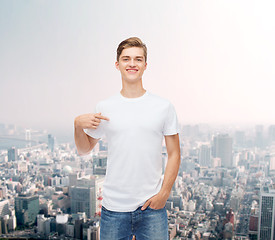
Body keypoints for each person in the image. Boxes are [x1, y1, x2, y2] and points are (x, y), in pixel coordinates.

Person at [74, 37, 181, 240]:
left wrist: (164, 193)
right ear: (117, 64)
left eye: (138, 59)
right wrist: (77, 125)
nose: (132, 64)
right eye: (126, 59)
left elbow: (175, 152)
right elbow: (84, 148)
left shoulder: (164, 106)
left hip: (152, 208)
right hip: (113, 209)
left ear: (145, 65)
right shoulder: (105, 107)